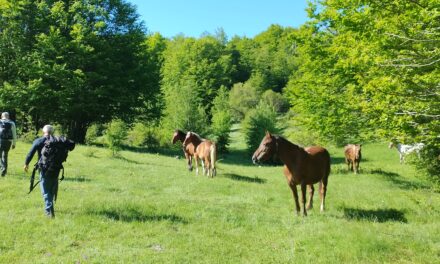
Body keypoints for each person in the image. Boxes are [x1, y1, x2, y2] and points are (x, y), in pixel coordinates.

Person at [24, 125, 58, 218]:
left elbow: (30, 153)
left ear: (43, 131)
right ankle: (51, 207)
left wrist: (26, 163)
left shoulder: (39, 141)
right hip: (56, 168)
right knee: (51, 188)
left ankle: (49, 213)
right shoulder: (57, 141)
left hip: (44, 168)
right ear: (52, 132)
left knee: (45, 190)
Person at [0, 112, 17, 176]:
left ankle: (2, 166)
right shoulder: (12, 123)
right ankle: (4, 169)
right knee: (5, 155)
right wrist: (14, 143)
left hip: (0, 140)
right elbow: (14, 134)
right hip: (8, 141)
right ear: (8, 116)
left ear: (2, 116)